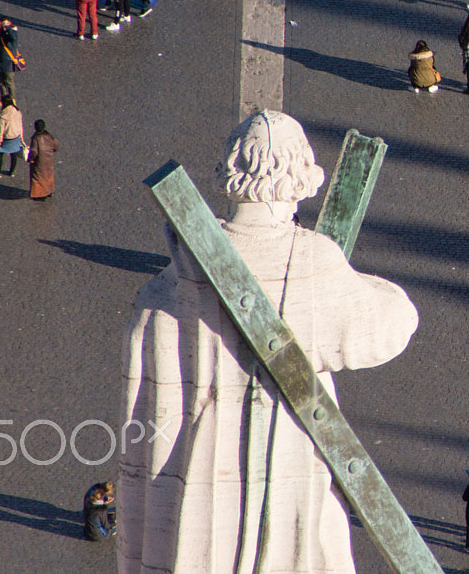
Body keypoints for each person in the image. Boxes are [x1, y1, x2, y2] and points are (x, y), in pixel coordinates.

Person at [117, 113, 419, 574]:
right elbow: (391, 326)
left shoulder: (160, 294)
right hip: (288, 485)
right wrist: (364, 280)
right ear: (299, 176)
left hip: (195, 508)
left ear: (231, 172)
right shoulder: (314, 261)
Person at [26, 119, 58, 200]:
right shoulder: (49, 136)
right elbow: (56, 145)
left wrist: (30, 159)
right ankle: (49, 191)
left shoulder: (36, 138)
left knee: (38, 177)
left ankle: (40, 195)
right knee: (48, 176)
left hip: (39, 161)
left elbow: (34, 151)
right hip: (48, 159)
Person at [0, 19, 21, 102]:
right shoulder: (0, 34)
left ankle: (12, 99)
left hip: (8, 63)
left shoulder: (12, 34)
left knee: (9, 82)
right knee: (0, 81)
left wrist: (8, 28)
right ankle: (4, 98)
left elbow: (13, 38)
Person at [0, 98, 23, 178]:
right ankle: (11, 172)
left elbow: (1, 130)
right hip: (16, 136)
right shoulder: (18, 112)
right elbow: (20, 125)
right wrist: (21, 137)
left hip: (7, 137)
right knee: (14, 154)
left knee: (0, 153)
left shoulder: (3, 115)